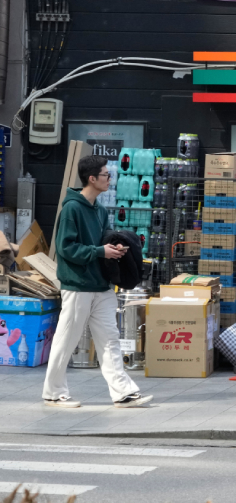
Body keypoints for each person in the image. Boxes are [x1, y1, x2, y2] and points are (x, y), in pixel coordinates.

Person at [42, 155, 151, 409]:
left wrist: (115, 248)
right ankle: (53, 392)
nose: (109, 179)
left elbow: (103, 240)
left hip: (101, 285)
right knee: (66, 340)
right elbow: (65, 248)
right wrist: (101, 252)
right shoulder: (72, 209)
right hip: (77, 285)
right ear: (92, 178)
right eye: (105, 175)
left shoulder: (100, 210)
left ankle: (123, 393)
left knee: (110, 339)